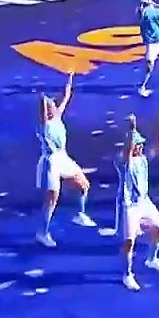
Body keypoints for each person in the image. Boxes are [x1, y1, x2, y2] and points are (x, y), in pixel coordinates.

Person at [36, 72, 97, 249]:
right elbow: (42, 110)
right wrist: (42, 98)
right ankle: (43, 232)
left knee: (84, 185)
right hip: (51, 162)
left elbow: (66, 96)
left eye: (53, 105)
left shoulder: (58, 117)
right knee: (51, 199)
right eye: (50, 107)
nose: (53, 107)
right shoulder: (44, 125)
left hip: (63, 157)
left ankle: (80, 214)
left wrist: (69, 80)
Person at [115, 114, 159, 291]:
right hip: (129, 206)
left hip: (144, 202)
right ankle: (127, 274)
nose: (140, 146)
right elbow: (127, 153)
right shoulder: (122, 161)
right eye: (137, 144)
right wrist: (132, 128)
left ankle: (152, 258)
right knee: (129, 241)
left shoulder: (144, 159)